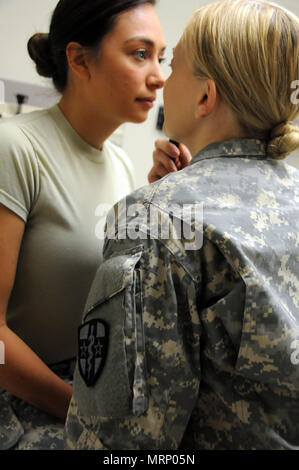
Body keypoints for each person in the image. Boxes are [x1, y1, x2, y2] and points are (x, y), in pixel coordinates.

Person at [65, 0, 299, 450]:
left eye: (173, 65)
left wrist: (163, 210)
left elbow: (119, 442)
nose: (161, 79)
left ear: (205, 97)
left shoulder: (156, 220)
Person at [0, 0, 166, 450]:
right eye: (139, 53)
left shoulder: (121, 165)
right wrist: (77, 407)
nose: (159, 75)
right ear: (78, 59)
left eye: (161, 57)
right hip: (24, 406)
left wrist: (162, 196)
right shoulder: (15, 149)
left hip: (89, 392)